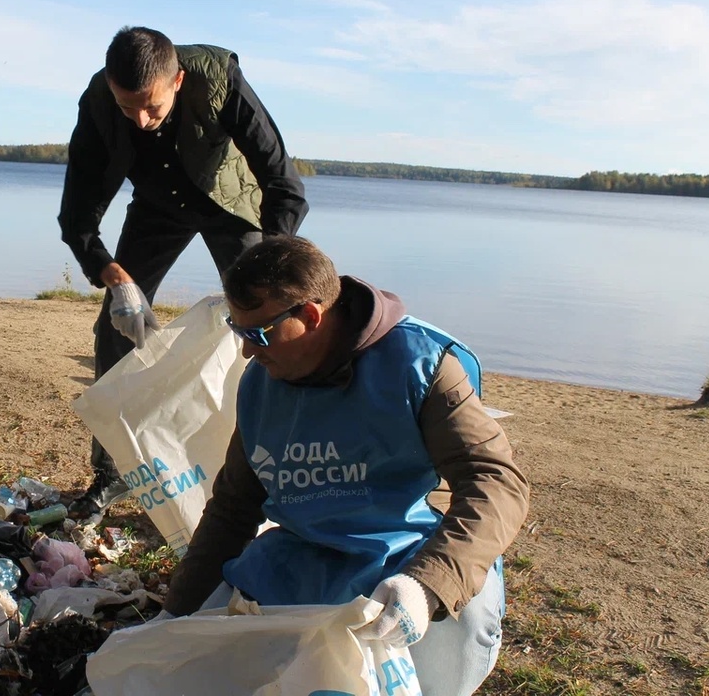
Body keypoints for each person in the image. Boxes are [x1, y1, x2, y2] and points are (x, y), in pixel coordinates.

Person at [161, 236, 530, 696]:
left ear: (310, 317)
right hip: (303, 558)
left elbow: (496, 483)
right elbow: (234, 506)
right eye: (237, 332)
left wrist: (428, 584)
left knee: (449, 648)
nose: (246, 353)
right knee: (200, 662)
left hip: (405, 552)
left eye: (257, 334)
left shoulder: (420, 363)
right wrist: (173, 615)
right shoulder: (262, 381)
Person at [59, 26, 309, 517]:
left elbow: (285, 186)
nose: (142, 119)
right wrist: (116, 280)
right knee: (113, 330)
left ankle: (277, 468)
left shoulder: (219, 79)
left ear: (177, 81)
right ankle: (111, 475)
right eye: (128, 107)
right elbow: (77, 216)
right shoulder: (98, 102)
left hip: (229, 204)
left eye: (151, 105)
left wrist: (267, 271)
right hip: (157, 208)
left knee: (268, 327)